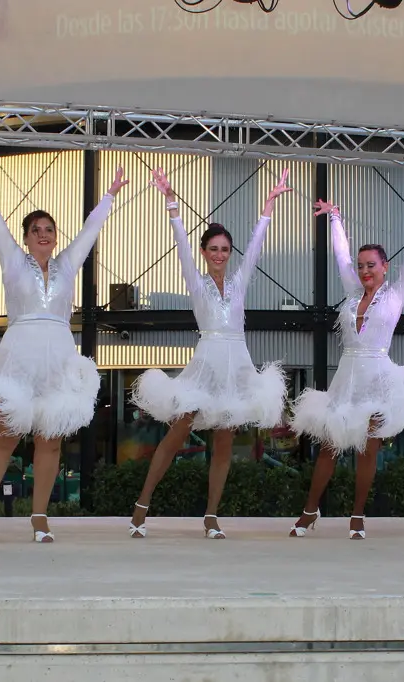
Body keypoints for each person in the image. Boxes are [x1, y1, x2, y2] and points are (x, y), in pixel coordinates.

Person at [0, 150, 128, 543]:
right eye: (35, 230)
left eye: (49, 229)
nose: (43, 234)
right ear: (26, 238)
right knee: (4, 436)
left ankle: (40, 518)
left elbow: (90, 233)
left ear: (54, 236)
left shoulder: (66, 266)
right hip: (19, 357)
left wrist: (110, 195)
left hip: (58, 358)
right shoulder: (12, 260)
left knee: (50, 440)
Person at [128, 167, 292, 539]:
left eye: (224, 250)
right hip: (206, 363)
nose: (219, 255)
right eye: (213, 249)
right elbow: (181, 245)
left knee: (224, 442)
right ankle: (142, 504)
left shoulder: (239, 282)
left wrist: (268, 206)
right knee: (177, 432)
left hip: (237, 366)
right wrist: (171, 202)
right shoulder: (196, 279)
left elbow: (255, 249)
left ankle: (212, 516)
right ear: (204, 252)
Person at [289, 195, 404, 539]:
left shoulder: (394, 296)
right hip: (346, 379)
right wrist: (335, 218)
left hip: (376, 379)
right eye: (361, 266)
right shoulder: (352, 294)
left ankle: (357, 516)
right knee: (328, 449)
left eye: (371, 265)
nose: (364, 271)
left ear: (384, 267)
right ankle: (309, 511)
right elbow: (341, 257)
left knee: (367, 451)